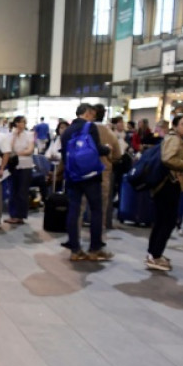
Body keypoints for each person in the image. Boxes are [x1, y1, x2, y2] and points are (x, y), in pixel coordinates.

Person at [60, 103, 113, 262]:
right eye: (93, 114)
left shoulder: (66, 131)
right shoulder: (90, 127)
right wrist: (107, 148)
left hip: (72, 176)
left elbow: (64, 154)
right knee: (96, 210)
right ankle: (94, 249)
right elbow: (97, 149)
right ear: (88, 113)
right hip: (90, 176)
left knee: (74, 211)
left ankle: (75, 250)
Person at [146, 115, 183, 271]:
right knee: (167, 221)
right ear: (175, 126)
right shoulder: (174, 139)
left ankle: (154, 253)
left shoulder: (177, 139)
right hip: (168, 184)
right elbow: (168, 158)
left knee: (162, 221)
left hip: (169, 184)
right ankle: (155, 255)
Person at [90, 104, 121, 230]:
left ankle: (75, 241)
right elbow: (117, 155)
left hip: (84, 171)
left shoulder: (85, 129)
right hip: (104, 171)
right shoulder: (110, 133)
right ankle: (97, 239)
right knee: (101, 207)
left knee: (81, 206)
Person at [7, 116, 35, 225]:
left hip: (25, 166)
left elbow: (30, 150)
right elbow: (9, 148)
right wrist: (14, 135)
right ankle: (13, 215)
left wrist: (18, 153)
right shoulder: (10, 135)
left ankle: (21, 215)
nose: (21, 125)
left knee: (22, 191)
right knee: (13, 191)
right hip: (13, 166)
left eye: (23, 122)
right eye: (19, 122)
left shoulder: (29, 135)